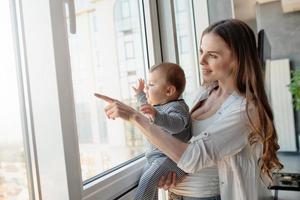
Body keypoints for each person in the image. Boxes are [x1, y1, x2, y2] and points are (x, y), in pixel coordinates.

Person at [95, 19, 283, 200]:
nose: (201, 60)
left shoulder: (246, 109)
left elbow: (191, 157)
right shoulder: (204, 92)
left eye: (212, 55)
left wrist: (135, 117)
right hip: (179, 195)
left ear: (238, 60)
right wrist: (171, 170)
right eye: (201, 51)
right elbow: (181, 144)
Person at [131, 62, 191, 200]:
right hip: (157, 158)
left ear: (169, 91)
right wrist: (140, 94)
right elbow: (146, 108)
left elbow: (177, 124)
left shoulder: (177, 107)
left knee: (147, 181)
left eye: (151, 85)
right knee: (146, 180)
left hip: (171, 159)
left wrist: (157, 116)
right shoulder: (158, 107)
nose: (147, 87)